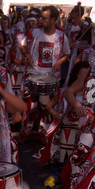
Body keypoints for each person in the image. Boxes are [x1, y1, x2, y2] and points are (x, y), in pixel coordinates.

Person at [18, 5, 70, 144]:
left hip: (50, 78)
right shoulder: (34, 32)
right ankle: (25, 134)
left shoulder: (61, 36)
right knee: (29, 107)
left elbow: (67, 53)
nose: (41, 20)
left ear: (53, 19)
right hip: (33, 74)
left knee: (46, 108)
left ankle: (43, 135)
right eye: (40, 17)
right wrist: (27, 55)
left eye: (45, 18)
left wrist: (60, 62)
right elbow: (21, 45)